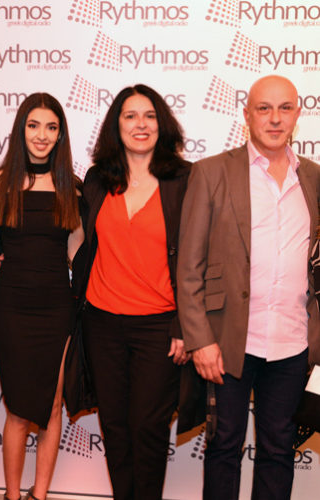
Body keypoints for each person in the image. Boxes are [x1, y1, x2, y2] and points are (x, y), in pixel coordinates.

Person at [177, 75, 320, 500]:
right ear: (247, 115)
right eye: (264, 108)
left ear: (297, 114)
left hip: (293, 343)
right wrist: (200, 340)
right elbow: (188, 267)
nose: (275, 118)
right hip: (226, 342)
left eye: (284, 108)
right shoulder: (211, 172)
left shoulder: (314, 178)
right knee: (224, 448)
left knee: (278, 450)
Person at [72, 84, 191, 500]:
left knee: (149, 429)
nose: (141, 124)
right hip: (102, 324)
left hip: (160, 327)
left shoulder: (184, 180)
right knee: (116, 427)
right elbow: (76, 240)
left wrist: (186, 325)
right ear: (116, 125)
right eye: (130, 116)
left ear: (162, 124)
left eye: (149, 115)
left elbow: (197, 258)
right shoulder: (97, 180)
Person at [0, 93, 83, 500]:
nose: (42, 135)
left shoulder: (72, 188)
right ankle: (12, 495)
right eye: (33, 125)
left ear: (61, 135)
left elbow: (80, 252)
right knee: (18, 409)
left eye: (51, 127)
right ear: (20, 129)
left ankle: (39, 495)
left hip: (56, 308)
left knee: (53, 403)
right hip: (11, 307)